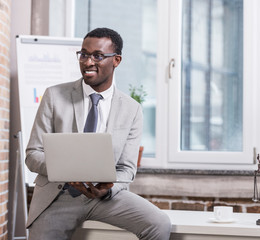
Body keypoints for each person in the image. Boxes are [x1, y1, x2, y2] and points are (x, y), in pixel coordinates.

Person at [25, 27, 171, 240]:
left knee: (159, 223)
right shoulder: (54, 96)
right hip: (59, 195)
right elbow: (32, 154)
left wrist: (107, 190)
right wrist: (65, 169)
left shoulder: (131, 109)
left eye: (98, 56)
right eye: (84, 54)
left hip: (105, 196)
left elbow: (126, 169)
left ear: (116, 60)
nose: (88, 62)